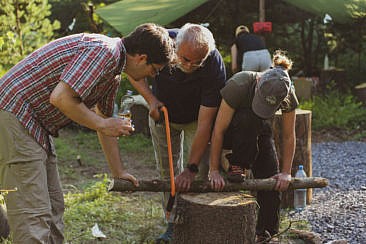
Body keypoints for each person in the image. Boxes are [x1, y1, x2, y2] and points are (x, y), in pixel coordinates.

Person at [0, 23, 175, 243]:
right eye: (154, 70)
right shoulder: (104, 52)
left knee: (54, 207)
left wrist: (118, 172)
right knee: (33, 214)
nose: (151, 76)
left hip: (35, 124)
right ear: (141, 58)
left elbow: (102, 117)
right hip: (15, 113)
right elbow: (61, 97)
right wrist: (102, 125)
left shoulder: (113, 71)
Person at [128, 23, 226, 242]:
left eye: (197, 61)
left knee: (198, 174)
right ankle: (173, 223)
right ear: (175, 47)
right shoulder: (160, 43)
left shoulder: (213, 65)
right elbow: (132, 69)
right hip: (163, 116)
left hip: (195, 121)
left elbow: (205, 124)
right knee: (167, 174)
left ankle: (198, 225)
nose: (190, 65)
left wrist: (190, 169)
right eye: (184, 59)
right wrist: (151, 100)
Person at [209, 50, 298, 242]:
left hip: (259, 130)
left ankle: (266, 234)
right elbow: (218, 130)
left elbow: (289, 136)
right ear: (259, 82)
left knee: (271, 182)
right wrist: (214, 169)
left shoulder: (287, 91)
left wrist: (285, 172)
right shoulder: (239, 84)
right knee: (248, 119)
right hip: (233, 131)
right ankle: (238, 164)